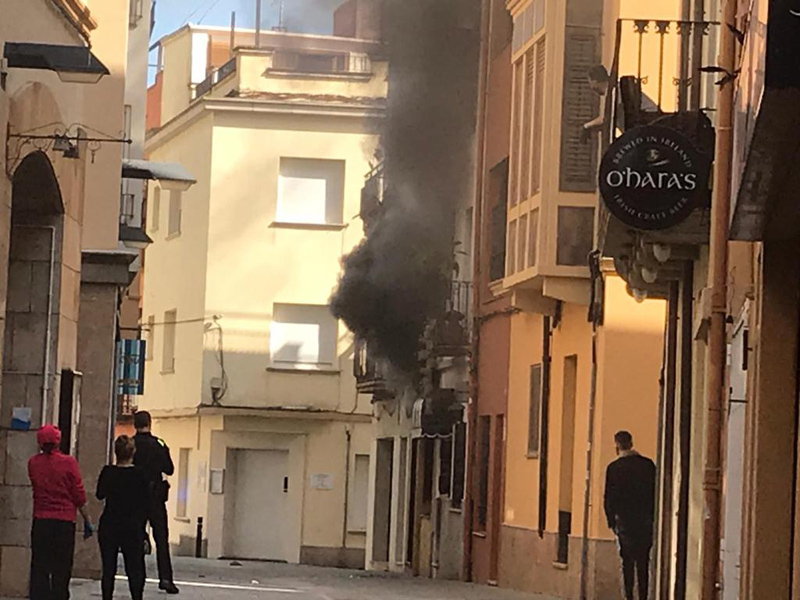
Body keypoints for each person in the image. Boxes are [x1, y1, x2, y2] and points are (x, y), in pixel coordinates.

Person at [28, 425, 94, 600]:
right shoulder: (69, 463)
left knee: (40, 566)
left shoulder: (33, 463)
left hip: (41, 520)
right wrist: (87, 519)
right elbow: (78, 494)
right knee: (62, 567)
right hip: (64, 522)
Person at [604, 430, 656, 600]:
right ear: (632, 443)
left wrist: (611, 521)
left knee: (627, 563)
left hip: (624, 523)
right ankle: (643, 596)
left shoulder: (613, 468)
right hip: (645, 522)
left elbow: (609, 498)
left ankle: (628, 596)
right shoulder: (648, 465)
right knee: (643, 563)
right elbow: (654, 494)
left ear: (617, 446)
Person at [97, 436, 149, 600]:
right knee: (135, 567)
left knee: (108, 568)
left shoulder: (108, 472)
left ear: (115, 452)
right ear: (133, 452)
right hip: (132, 526)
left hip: (110, 523)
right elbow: (145, 503)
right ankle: (137, 596)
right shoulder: (140, 475)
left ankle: (107, 597)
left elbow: (100, 494)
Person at [133, 411, 179, 594]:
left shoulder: (131, 444)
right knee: (161, 539)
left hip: (135, 497)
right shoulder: (159, 444)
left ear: (135, 424)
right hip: (156, 497)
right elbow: (170, 468)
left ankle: (137, 577)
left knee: (135, 539)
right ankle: (165, 578)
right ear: (149, 423)